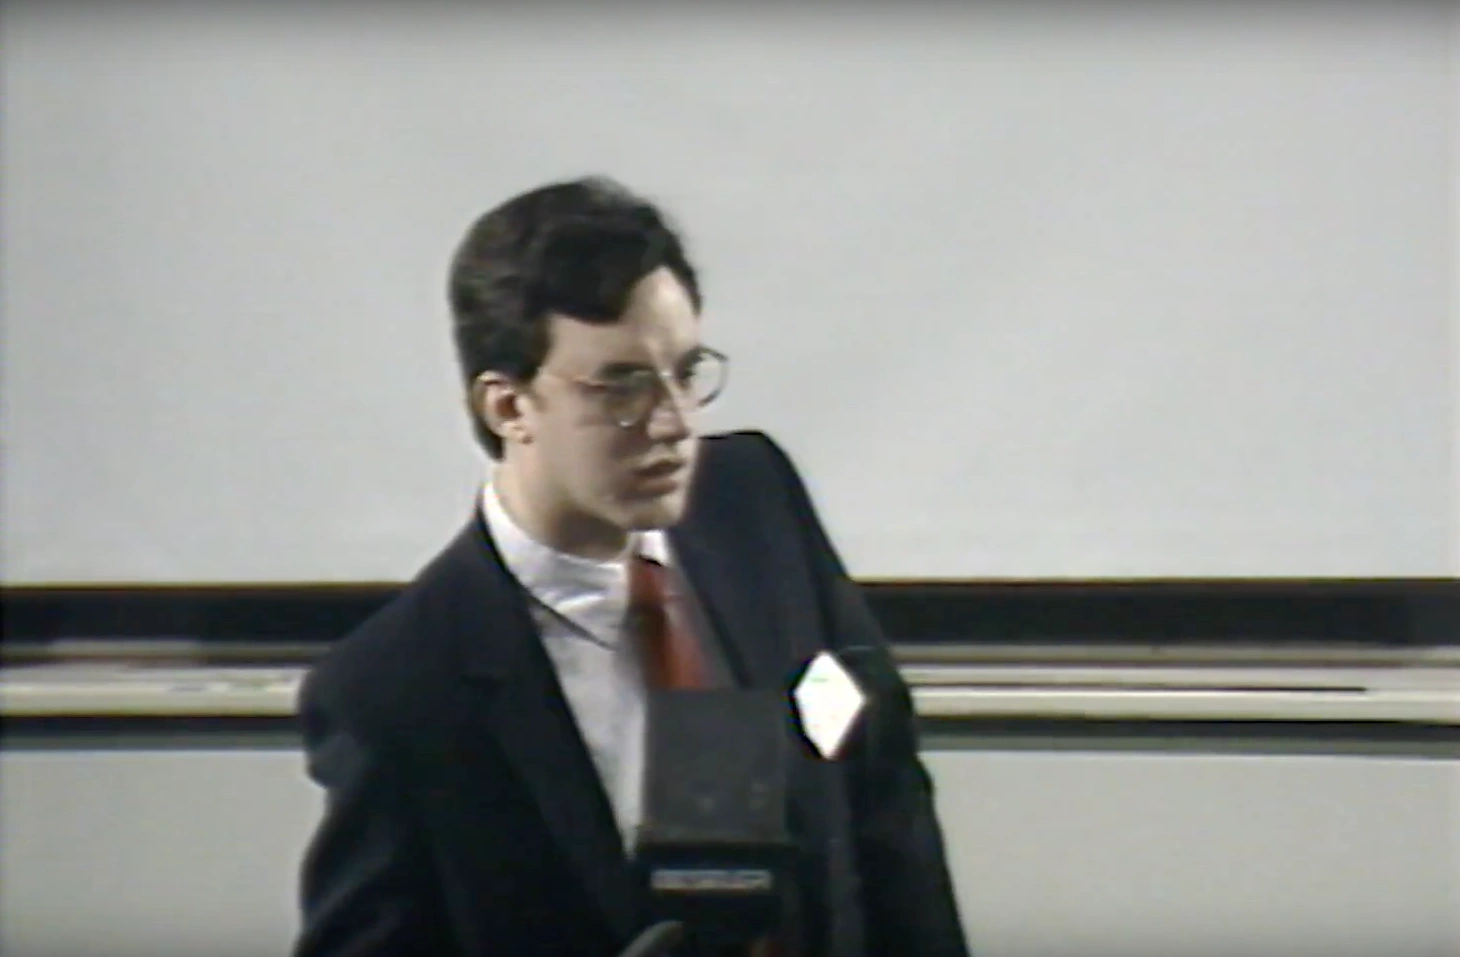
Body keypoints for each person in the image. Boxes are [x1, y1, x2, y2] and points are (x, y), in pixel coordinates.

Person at [291, 176, 971, 957]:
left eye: (686, 372)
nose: (674, 423)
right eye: (622, 386)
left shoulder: (754, 502)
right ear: (507, 406)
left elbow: (885, 798)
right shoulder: (398, 692)